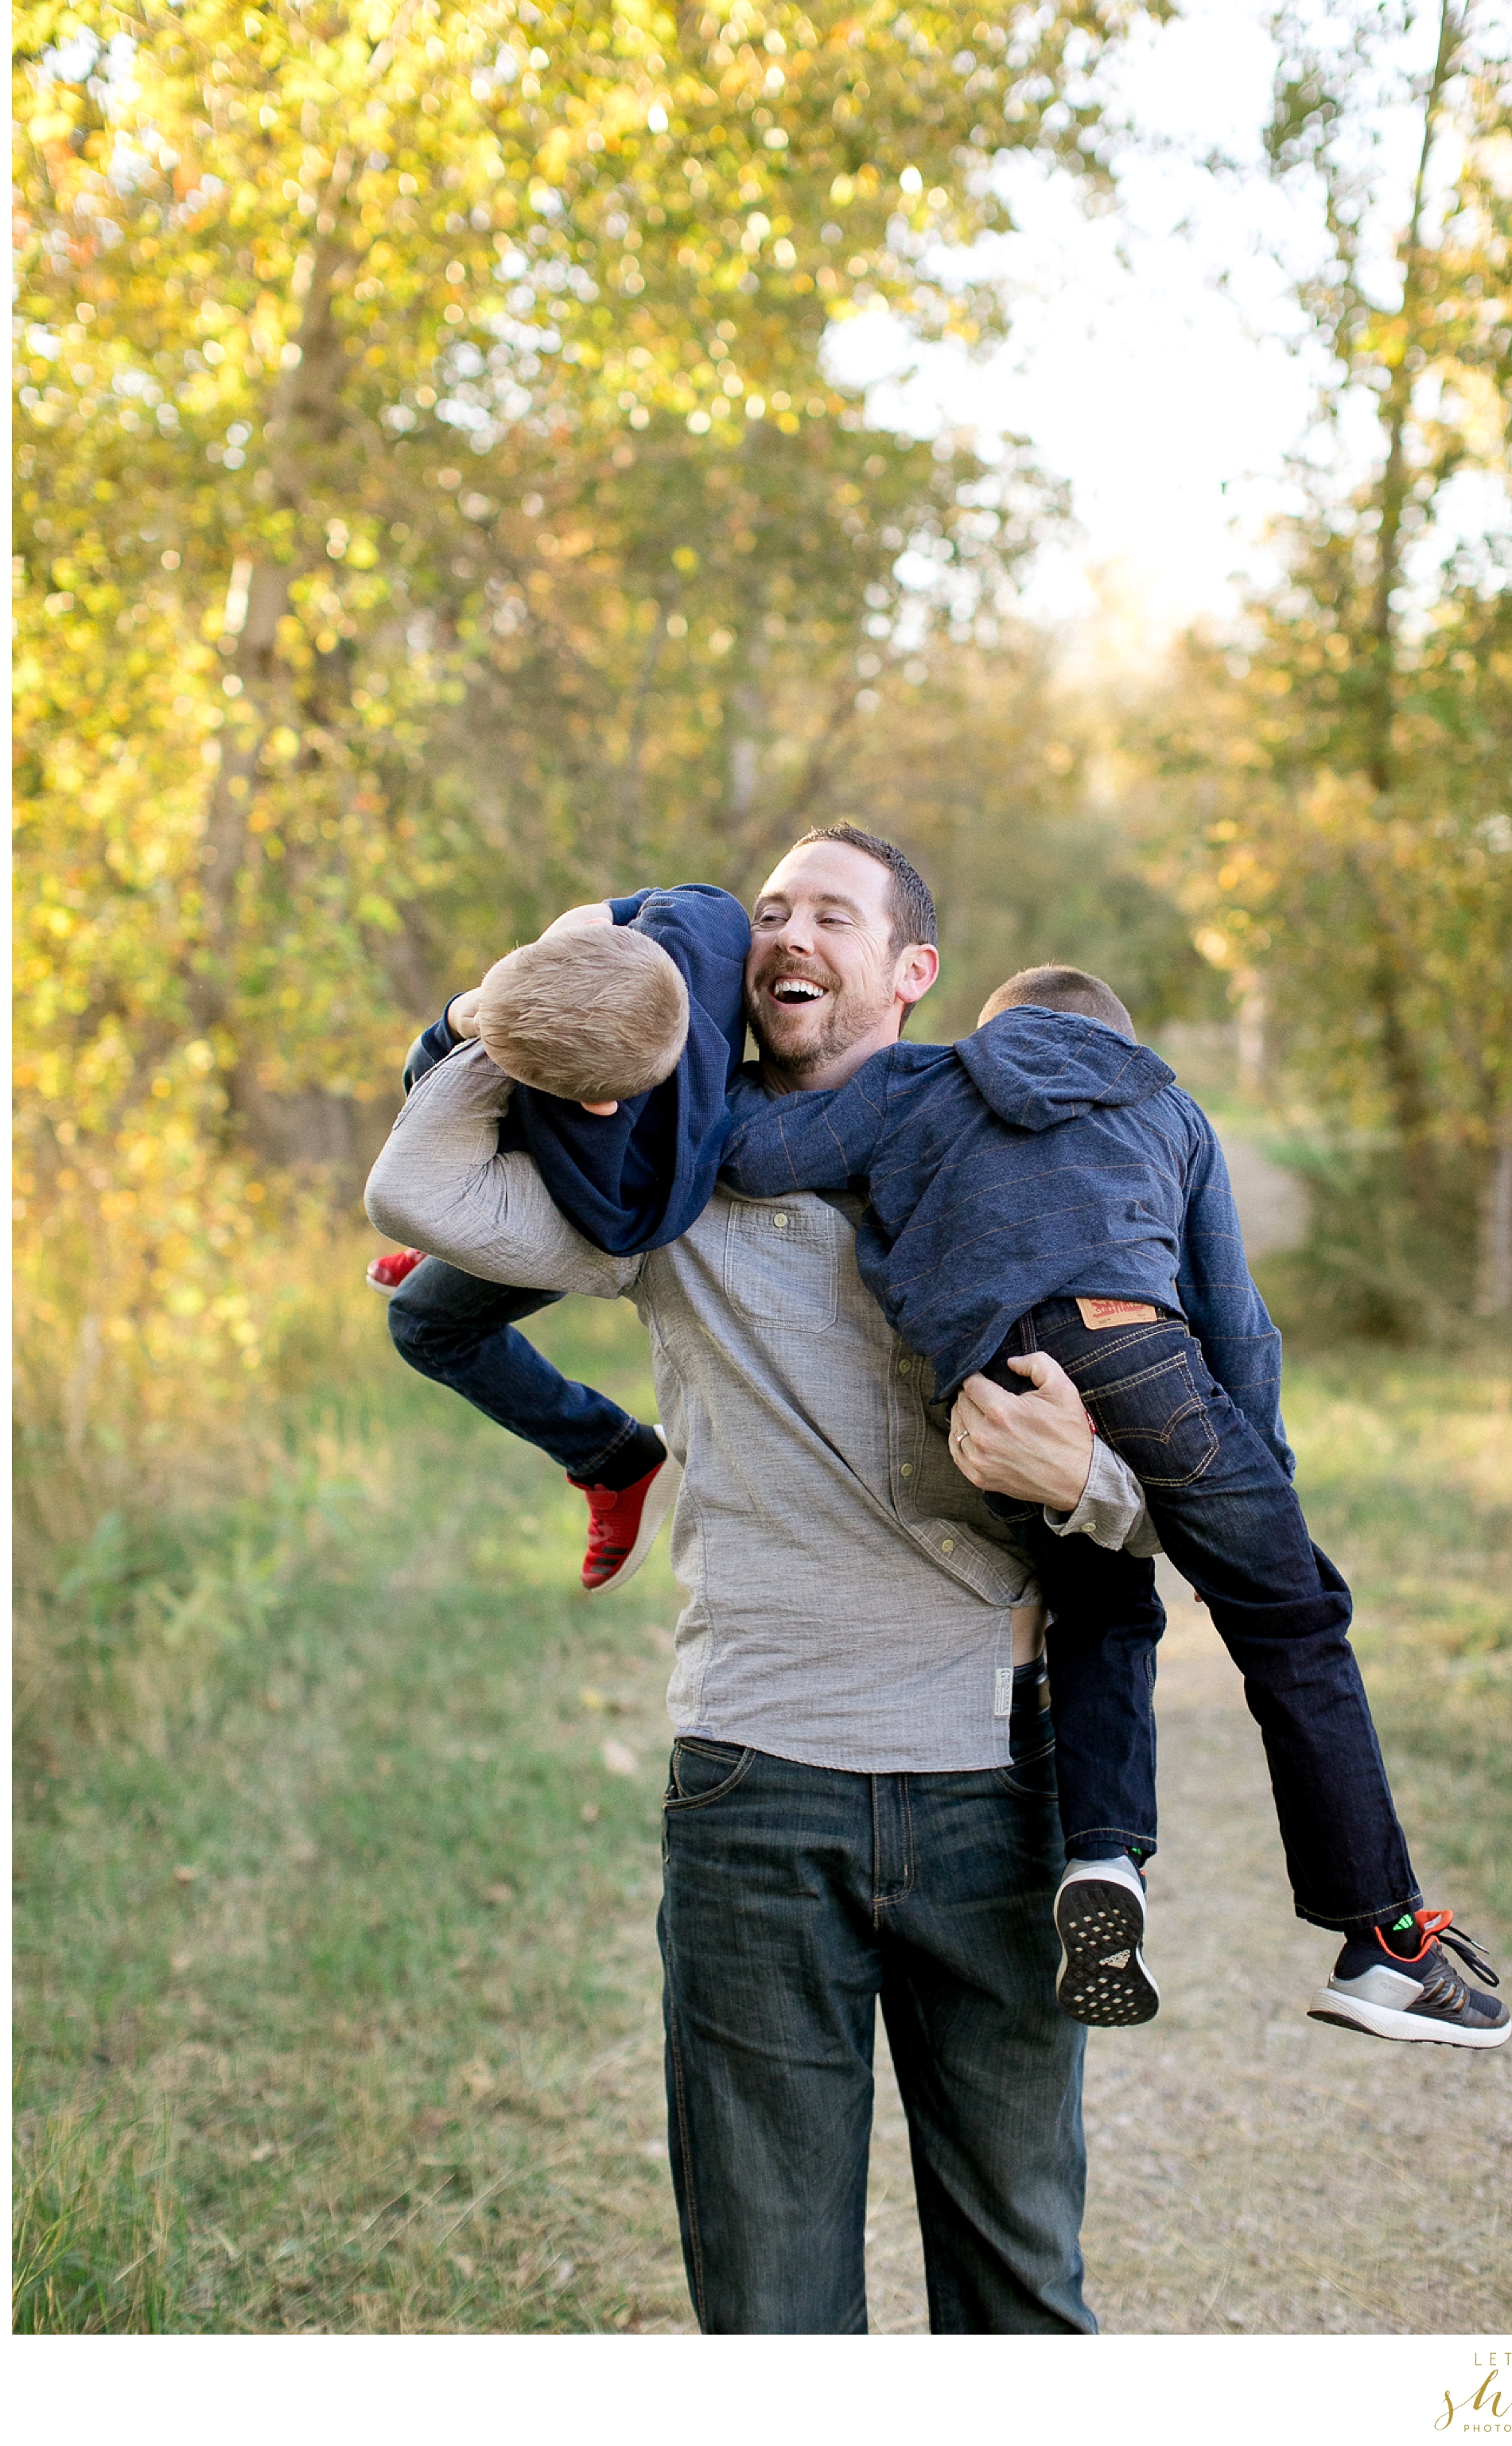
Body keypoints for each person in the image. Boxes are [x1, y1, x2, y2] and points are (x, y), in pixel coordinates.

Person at [365, 823, 1151, 2334]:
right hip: (755, 1782)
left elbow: (1211, 1506)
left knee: (1019, 2293)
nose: (789, 933)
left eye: (833, 915)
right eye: (771, 910)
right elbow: (417, 1194)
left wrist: (1090, 1479)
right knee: (769, 2311)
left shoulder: (1033, 1184)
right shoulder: (678, 1181)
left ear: (913, 972)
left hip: (995, 1786)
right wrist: (519, 1002)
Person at [721, 962, 1512, 2051]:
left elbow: (755, 1154)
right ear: (1117, 1038)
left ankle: (1102, 1857)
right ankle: (1384, 1942)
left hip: (992, 1393)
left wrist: (672, 1050)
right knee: (1293, 1621)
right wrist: (1258, 1489)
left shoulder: (920, 1079)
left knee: (1098, 1592)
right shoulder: (1163, 1102)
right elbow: (1238, 1326)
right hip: (1137, 1349)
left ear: (995, 1031)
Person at [367, 884, 749, 1592]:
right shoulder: (704, 920)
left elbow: (417, 1136)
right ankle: (450, 1238)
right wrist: (586, 928)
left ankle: (617, 1459)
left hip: (595, 1220)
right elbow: (621, 911)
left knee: (423, 1322)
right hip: (643, 1130)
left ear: (594, 1106)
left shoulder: (584, 1155)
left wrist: (459, 1023)